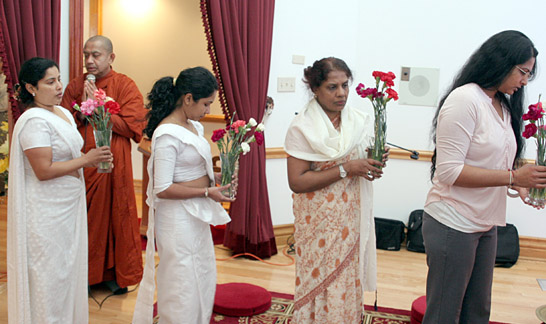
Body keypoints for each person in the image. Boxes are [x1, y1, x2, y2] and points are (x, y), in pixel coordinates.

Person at [423, 30, 546, 323]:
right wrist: (514, 177)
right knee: (444, 313)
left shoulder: (501, 104)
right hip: (453, 220)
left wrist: (520, 185)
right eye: (523, 72)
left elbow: (497, 163)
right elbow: (450, 171)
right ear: (501, 62)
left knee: (477, 311)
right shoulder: (466, 100)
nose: (524, 81)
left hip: (486, 222)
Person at [7, 57, 112, 323]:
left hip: (68, 206)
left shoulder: (63, 113)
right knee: (49, 274)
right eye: (50, 82)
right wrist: (87, 159)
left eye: (59, 79)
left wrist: (94, 158)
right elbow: (44, 171)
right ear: (31, 88)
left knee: (67, 270)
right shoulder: (33, 121)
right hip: (45, 211)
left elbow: (70, 153)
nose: (59, 87)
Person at [284, 57, 387, 323]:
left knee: (345, 277)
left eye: (345, 85)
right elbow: (297, 181)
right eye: (332, 87)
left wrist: (373, 161)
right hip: (316, 221)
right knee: (318, 279)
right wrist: (347, 169)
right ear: (315, 89)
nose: (341, 93)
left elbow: (360, 169)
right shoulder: (302, 128)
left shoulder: (357, 122)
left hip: (348, 220)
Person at [132, 67, 233, 324]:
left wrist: (214, 180)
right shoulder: (166, 135)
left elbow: (192, 169)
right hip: (177, 218)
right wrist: (206, 191)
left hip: (194, 213)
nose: (208, 110)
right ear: (187, 98)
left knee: (202, 273)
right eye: (206, 103)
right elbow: (162, 188)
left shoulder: (192, 126)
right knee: (181, 282)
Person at [60, 35, 146, 293]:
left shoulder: (125, 85)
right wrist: (82, 109)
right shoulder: (75, 86)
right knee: (83, 219)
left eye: (95, 55)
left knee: (115, 216)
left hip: (112, 162)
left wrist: (99, 107)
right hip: (82, 163)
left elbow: (132, 126)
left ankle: (112, 275)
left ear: (111, 57)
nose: (89, 61)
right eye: (86, 55)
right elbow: (64, 124)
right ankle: (83, 275)